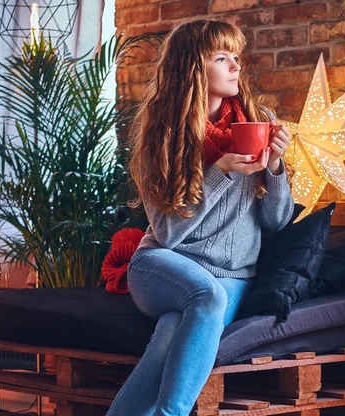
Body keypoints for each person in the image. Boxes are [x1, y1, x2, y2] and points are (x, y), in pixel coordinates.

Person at [106, 19, 295, 416]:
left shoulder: (255, 119)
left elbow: (276, 222)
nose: (235, 66)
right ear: (193, 68)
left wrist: (276, 168)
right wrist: (222, 171)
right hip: (161, 265)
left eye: (236, 57)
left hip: (232, 274)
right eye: (221, 57)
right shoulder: (164, 135)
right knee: (206, 295)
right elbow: (170, 234)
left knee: (169, 335)